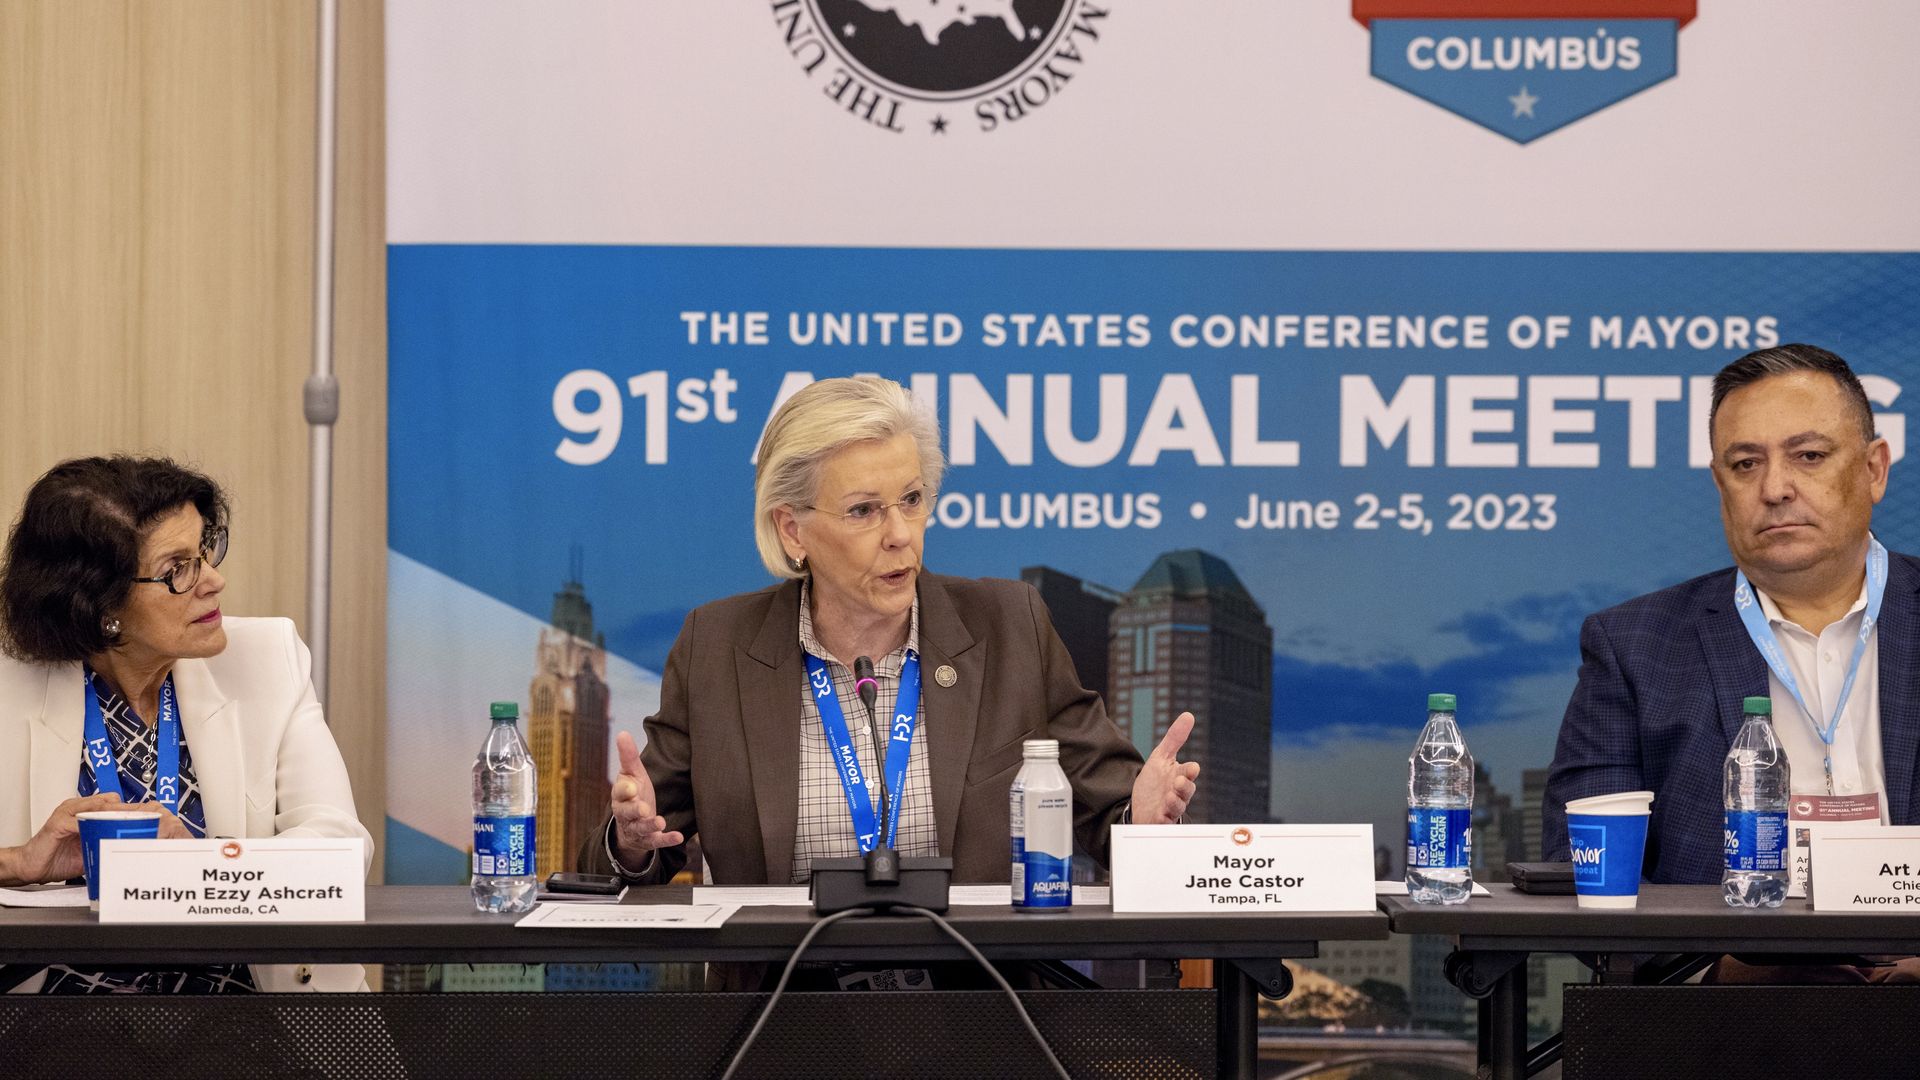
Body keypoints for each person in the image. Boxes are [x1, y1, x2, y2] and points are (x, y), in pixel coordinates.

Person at [578, 376, 1201, 891]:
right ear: (793, 530)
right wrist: (630, 843)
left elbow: (1108, 813)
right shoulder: (717, 647)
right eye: (863, 510)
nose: (900, 532)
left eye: (911, 498)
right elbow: (634, 854)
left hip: (977, 1002)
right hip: (779, 1010)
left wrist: (1142, 823)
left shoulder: (1010, 626)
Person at [1543, 344, 1920, 981]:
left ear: (1875, 469)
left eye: (1809, 456)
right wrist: (1714, 971)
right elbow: (1580, 874)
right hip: (1723, 1018)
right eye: (1746, 464)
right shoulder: (1635, 646)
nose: (1775, 489)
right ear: (1721, 485)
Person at [0, 456, 373, 993]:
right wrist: (19, 863)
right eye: (177, 569)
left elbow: (341, 850)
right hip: (54, 1036)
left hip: (254, 1024)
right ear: (100, 603)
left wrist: (199, 861)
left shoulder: (269, 658)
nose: (214, 581)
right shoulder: (11, 689)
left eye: (205, 551)